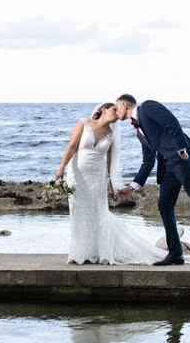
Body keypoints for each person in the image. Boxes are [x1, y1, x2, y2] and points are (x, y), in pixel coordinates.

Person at [114, 94, 190, 269]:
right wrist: (132, 187)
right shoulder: (139, 132)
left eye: (116, 108)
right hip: (168, 165)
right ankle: (175, 253)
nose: (116, 113)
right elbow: (148, 161)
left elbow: (172, 122)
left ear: (124, 105)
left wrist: (181, 149)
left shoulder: (147, 107)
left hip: (181, 158)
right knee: (164, 205)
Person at [54, 102, 172, 265]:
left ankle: (100, 253)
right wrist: (61, 169)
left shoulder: (111, 133)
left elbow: (111, 162)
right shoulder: (84, 124)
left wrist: (112, 185)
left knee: (99, 212)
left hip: (97, 176)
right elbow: (71, 147)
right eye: (114, 110)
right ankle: (79, 253)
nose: (117, 113)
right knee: (78, 211)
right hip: (77, 175)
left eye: (118, 111)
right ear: (103, 109)